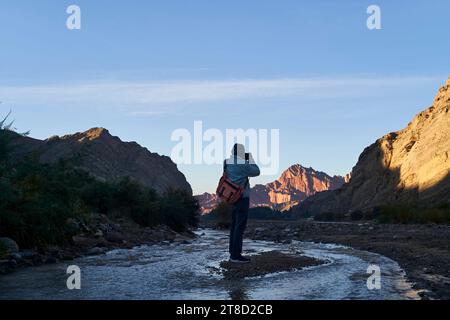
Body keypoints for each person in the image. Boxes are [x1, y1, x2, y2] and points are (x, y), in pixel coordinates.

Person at [224, 143, 260, 263]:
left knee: (234, 225)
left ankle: (232, 253)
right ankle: (236, 256)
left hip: (231, 197)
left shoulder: (226, 162)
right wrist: (250, 159)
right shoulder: (243, 164)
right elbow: (257, 171)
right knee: (240, 226)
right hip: (242, 198)